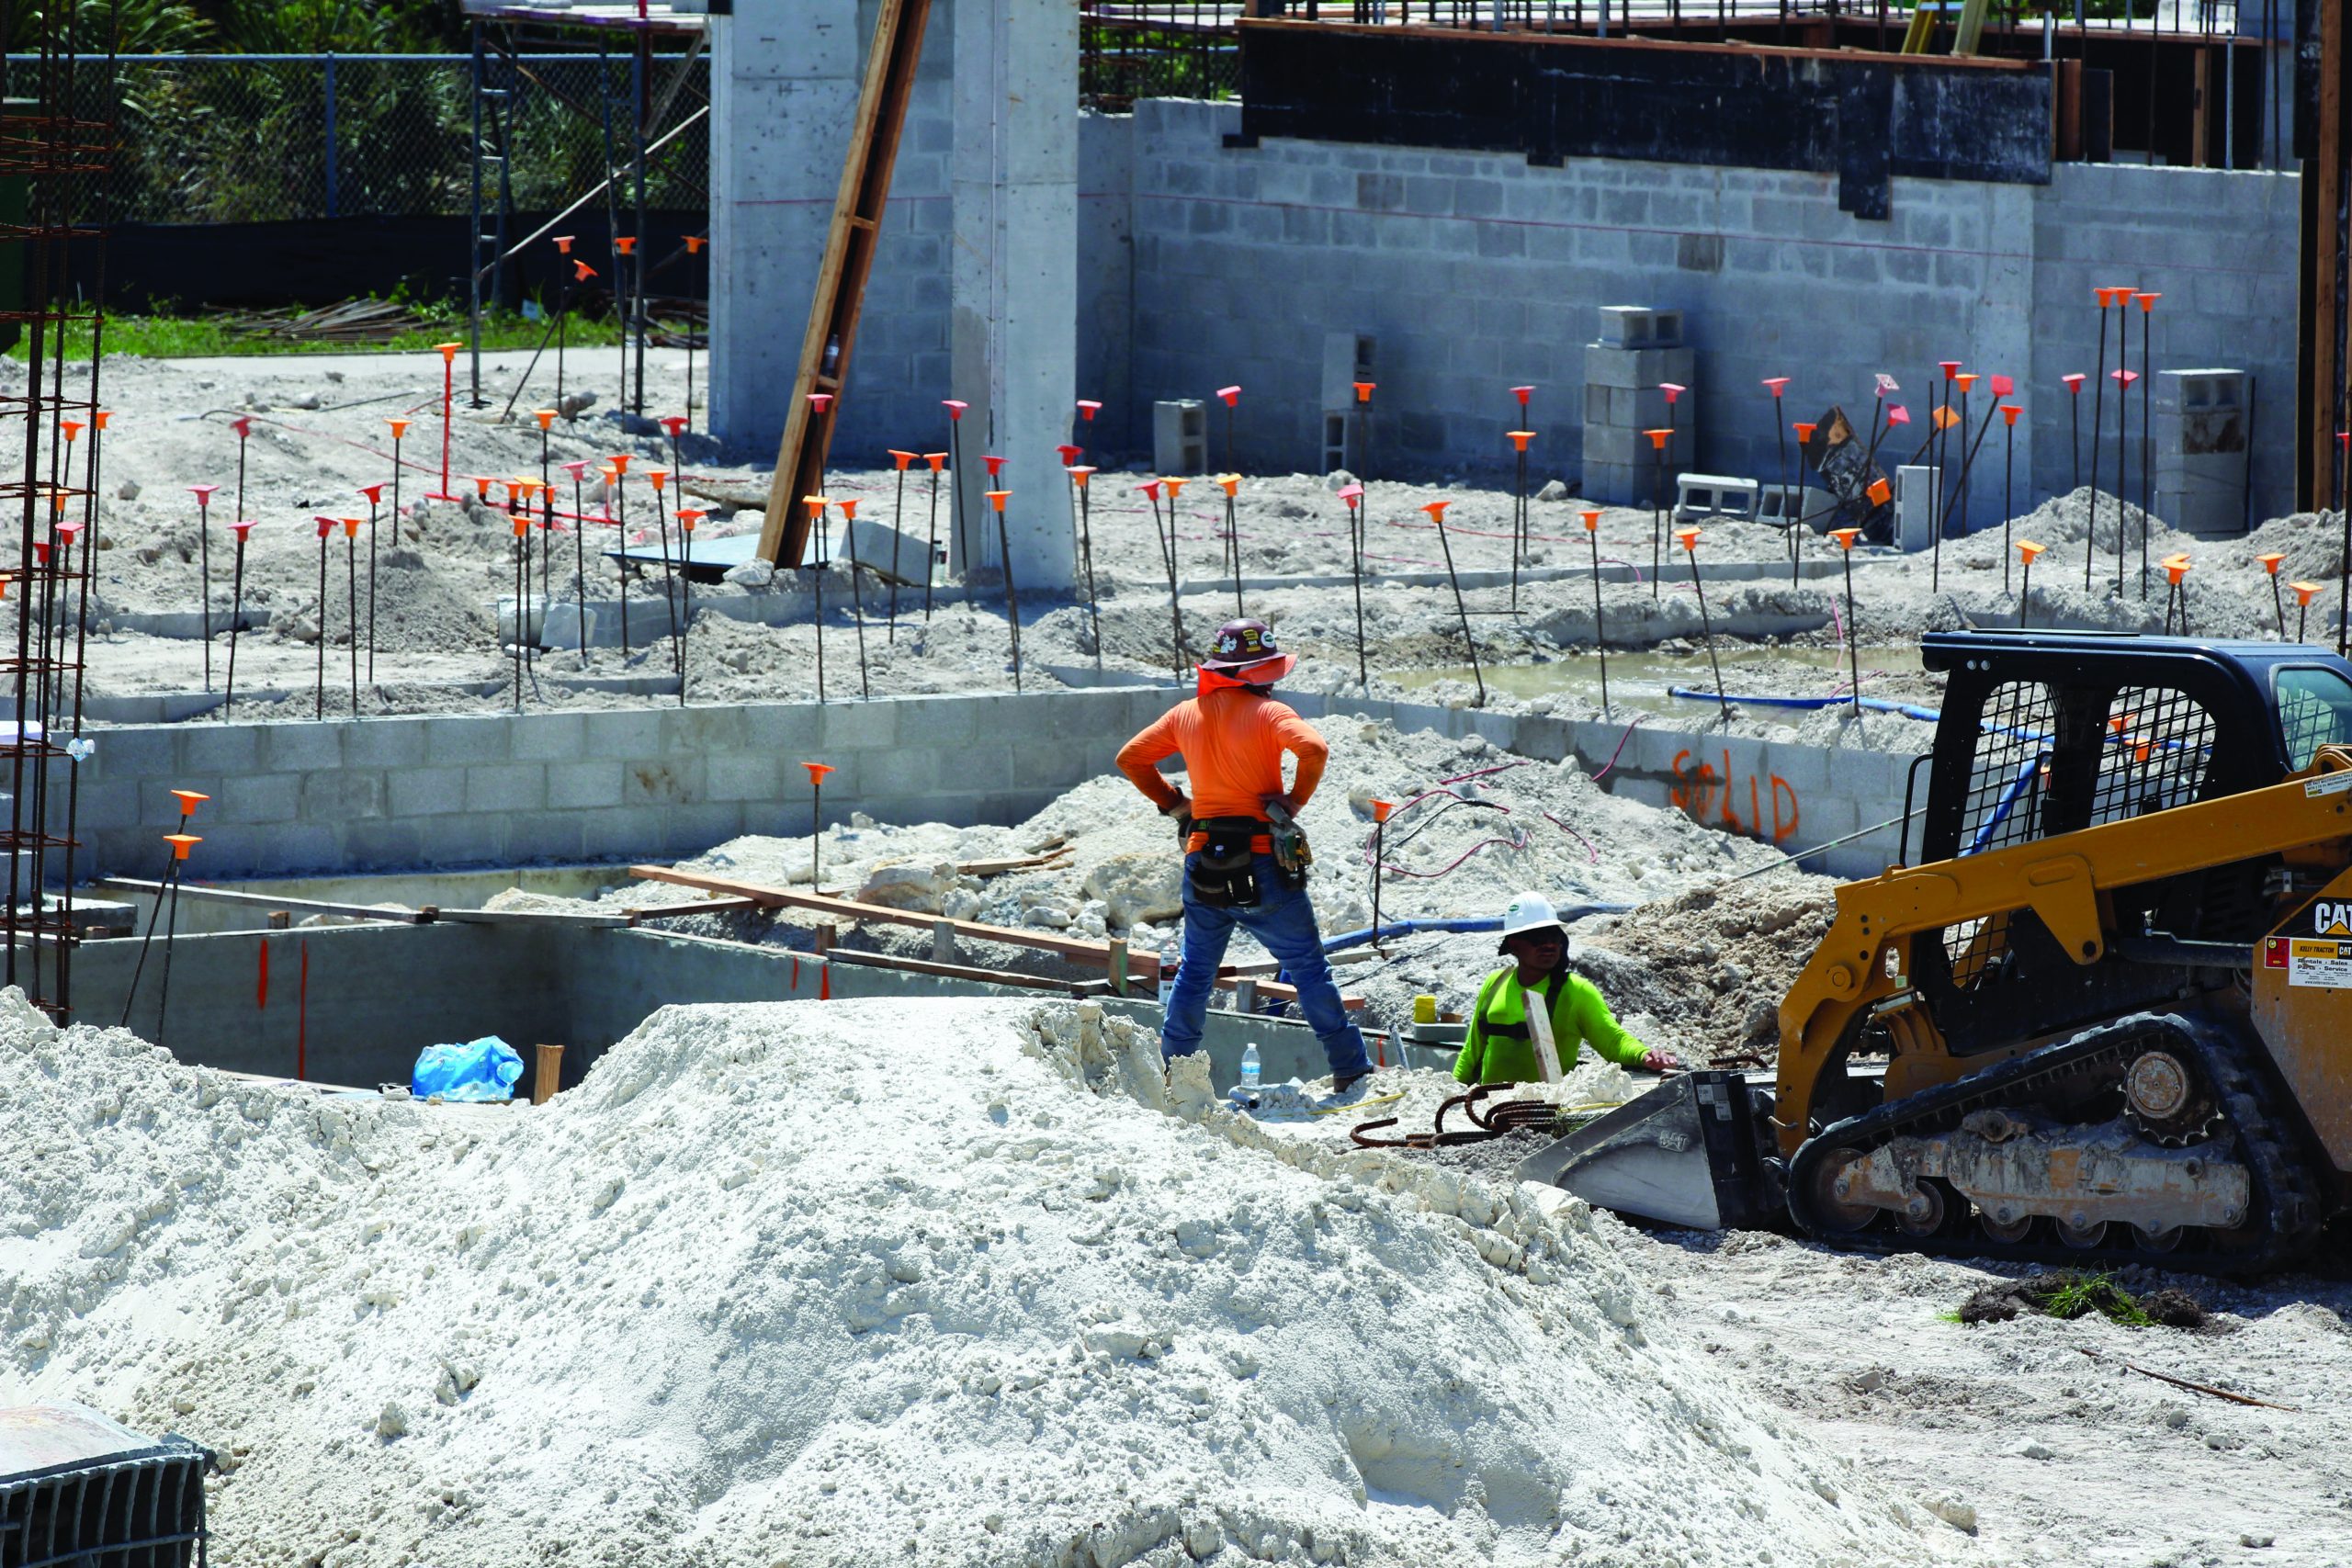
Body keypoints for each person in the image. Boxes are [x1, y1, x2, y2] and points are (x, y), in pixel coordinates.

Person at [1115, 618, 1374, 1093]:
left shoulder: (1185, 714)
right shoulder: (1269, 713)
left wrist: (1176, 804)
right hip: (1261, 860)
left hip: (1204, 859)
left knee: (1196, 970)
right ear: (1251, 674)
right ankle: (1350, 1068)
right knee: (1308, 967)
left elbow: (1131, 758)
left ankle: (1173, 1072)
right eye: (1267, 671)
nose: (1273, 680)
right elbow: (1313, 748)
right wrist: (1294, 801)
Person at [1453, 891, 1679, 1085]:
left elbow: (1612, 1040)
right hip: (1488, 1110)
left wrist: (1644, 1054)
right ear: (1514, 943)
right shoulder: (1496, 983)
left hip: (1541, 1114)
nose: (1549, 945)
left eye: (1554, 937)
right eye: (1537, 938)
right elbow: (1472, 1050)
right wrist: (1452, 1090)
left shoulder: (1576, 991)